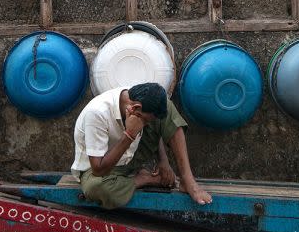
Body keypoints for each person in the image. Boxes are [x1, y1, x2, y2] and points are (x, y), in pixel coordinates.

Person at [71, 83, 212, 210]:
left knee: (166, 107)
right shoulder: (97, 113)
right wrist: (129, 135)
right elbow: (98, 169)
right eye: (145, 122)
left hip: (130, 156)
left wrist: (163, 161)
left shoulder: (138, 99)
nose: (146, 125)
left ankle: (188, 181)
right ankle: (145, 178)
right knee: (96, 188)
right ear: (135, 109)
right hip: (100, 170)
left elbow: (154, 124)